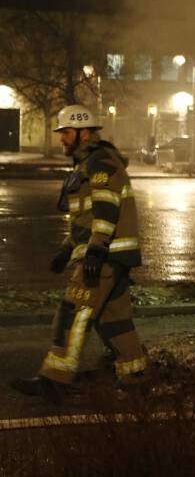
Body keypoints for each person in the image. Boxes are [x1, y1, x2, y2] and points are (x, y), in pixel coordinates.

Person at [9, 105, 148, 402]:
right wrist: (67, 246)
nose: (61, 138)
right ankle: (136, 379)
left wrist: (95, 250)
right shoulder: (87, 163)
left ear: (83, 132)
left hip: (103, 257)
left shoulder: (99, 162)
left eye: (66, 132)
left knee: (72, 314)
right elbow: (86, 217)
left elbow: (106, 208)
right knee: (114, 322)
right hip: (111, 257)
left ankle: (54, 381)